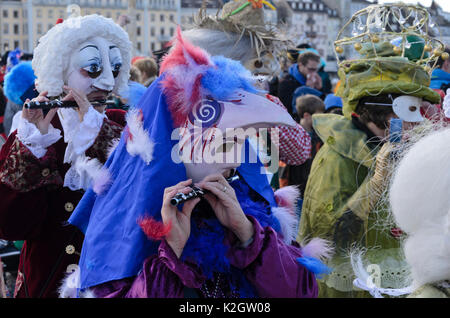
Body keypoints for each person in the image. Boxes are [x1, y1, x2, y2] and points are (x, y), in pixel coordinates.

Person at [63, 28, 332, 299]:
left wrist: (249, 236)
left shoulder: (245, 204)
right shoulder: (122, 223)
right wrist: (171, 257)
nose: (236, 160)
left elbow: (301, 292)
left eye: (241, 143)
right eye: (224, 144)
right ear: (173, 143)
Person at [297, 3, 442, 298]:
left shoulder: (402, 145)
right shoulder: (337, 155)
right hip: (352, 286)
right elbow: (326, 238)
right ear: (382, 110)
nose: (418, 121)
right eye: (410, 109)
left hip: (399, 279)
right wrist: (373, 185)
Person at [0, 14, 131, 298]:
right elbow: (10, 225)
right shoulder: (34, 131)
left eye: (116, 68)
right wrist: (32, 149)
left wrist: (100, 134)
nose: (108, 81)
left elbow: (138, 202)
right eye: (93, 68)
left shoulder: (125, 126)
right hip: (47, 281)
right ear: (60, 70)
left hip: (113, 283)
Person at [279, 94, 325, 197]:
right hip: (295, 191)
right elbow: (283, 168)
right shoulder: (292, 137)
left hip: (313, 190)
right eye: (318, 115)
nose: (321, 119)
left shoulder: (319, 137)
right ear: (306, 116)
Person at [278, 51, 323, 118]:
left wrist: (319, 89)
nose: (314, 72)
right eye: (310, 69)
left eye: (315, 70)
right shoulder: (286, 82)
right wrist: (307, 90)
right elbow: (289, 108)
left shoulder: (314, 79)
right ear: (300, 65)